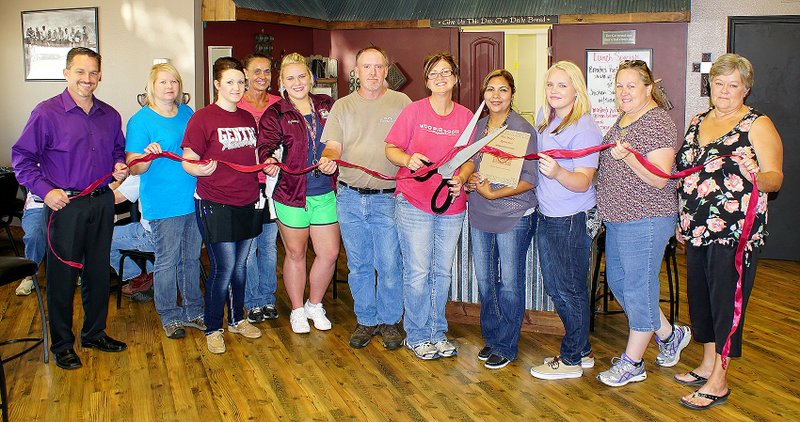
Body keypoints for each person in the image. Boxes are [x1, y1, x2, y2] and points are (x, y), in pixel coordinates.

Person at [675, 53, 783, 409]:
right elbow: (687, 174)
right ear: (709, 86)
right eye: (718, 83)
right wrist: (682, 219)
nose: (724, 90)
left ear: (745, 89)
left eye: (733, 85)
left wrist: (755, 173)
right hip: (696, 228)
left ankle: (720, 380)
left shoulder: (757, 124)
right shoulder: (697, 120)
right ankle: (707, 363)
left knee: (727, 303)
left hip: (735, 232)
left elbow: (775, 178)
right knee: (702, 299)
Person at [12, 47, 129, 370]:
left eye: (93, 72)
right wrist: (46, 191)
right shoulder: (46, 113)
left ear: (100, 75)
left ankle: (94, 332)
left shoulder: (109, 115)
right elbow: (21, 159)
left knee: (97, 273)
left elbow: (118, 152)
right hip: (65, 207)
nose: (87, 79)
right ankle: (63, 343)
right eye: (80, 72)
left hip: (102, 203)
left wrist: (120, 166)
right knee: (62, 278)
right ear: (66, 73)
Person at [594, 60, 692, 387]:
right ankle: (669, 334)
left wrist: (631, 158)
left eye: (630, 85)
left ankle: (633, 362)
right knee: (621, 284)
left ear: (648, 88)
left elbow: (660, 178)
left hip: (647, 217)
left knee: (637, 286)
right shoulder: (625, 118)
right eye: (619, 86)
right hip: (619, 218)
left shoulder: (657, 121)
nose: (623, 92)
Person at [317, 46, 411, 350]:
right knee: (358, 265)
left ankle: (389, 321)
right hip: (349, 198)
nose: (372, 73)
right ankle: (366, 320)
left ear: (386, 70)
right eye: (366, 67)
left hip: (387, 198)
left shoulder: (402, 103)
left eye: (378, 67)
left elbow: (411, 146)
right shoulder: (342, 106)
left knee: (389, 265)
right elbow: (333, 145)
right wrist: (329, 158)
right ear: (355, 72)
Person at [385, 52, 473, 360]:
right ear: (426, 81)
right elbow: (391, 148)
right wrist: (407, 159)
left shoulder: (465, 116)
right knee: (419, 271)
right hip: (414, 202)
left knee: (441, 272)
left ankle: (437, 332)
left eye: (446, 72)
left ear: (455, 78)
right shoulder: (413, 112)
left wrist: (462, 177)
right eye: (433, 73)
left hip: (451, 204)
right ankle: (418, 334)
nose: (440, 77)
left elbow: (470, 159)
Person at [182, 57, 263, 354]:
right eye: (230, 82)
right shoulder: (203, 118)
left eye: (240, 82)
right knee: (224, 266)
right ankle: (214, 326)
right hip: (215, 202)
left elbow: (251, 157)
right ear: (217, 84)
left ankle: (237, 319)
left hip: (247, 199)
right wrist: (197, 169)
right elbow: (189, 158)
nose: (237, 88)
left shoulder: (246, 118)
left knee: (240, 265)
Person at [528, 61, 601, 380]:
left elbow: (584, 181)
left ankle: (570, 359)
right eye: (550, 85)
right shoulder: (546, 119)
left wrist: (558, 172)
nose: (555, 91)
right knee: (563, 287)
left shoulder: (584, 127)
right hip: (549, 214)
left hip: (571, 219)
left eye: (562, 85)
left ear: (576, 90)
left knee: (566, 290)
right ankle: (582, 351)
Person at [260, 53, 339, 334]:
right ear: (281, 82)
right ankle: (296, 310)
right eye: (290, 78)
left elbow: (339, 138)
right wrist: (268, 159)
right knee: (296, 253)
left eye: (302, 76)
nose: (297, 82)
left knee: (329, 253)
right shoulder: (276, 113)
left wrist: (334, 156)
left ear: (311, 78)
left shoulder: (327, 105)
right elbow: (265, 146)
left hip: (324, 192)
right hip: (291, 193)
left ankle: (314, 305)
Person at [126, 63, 206, 339]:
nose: (169, 86)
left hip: (193, 197)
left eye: (174, 81)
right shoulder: (141, 120)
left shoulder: (187, 113)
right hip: (163, 202)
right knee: (167, 261)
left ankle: (193, 311)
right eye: (163, 82)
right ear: (152, 86)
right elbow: (133, 166)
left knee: (191, 259)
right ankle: (170, 315)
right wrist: (146, 156)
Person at [465, 69, 537, 370]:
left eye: (503, 90)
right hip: (480, 212)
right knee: (485, 280)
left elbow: (531, 179)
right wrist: (469, 181)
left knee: (509, 283)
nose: (496, 95)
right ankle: (493, 338)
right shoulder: (478, 127)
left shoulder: (523, 129)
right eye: (490, 89)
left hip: (513, 215)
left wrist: (495, 195)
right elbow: (469, 163)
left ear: (512, 94)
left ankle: (507, 345)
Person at [238, 53, 282, 323]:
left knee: (269, 247)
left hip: (274, 187)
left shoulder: (279, 104)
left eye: (267, 71)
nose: (262, 77)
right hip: (246, 186)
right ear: (245, 74)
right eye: (256, 71)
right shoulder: (236, 105)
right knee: (249, 248)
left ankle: (268, 298)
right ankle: (252, 300)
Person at [109, 175, 155, 302]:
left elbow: (116, 198)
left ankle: (137, 277)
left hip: (151, 235)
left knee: (101, 239)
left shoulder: (141, 172)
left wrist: (114, 186)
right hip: (176, 234)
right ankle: (153, 271)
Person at [15, 191, 45, 296]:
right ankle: (29, 276)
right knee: (34, 236)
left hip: (69, 203)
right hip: (37, 205)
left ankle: (73, 271)